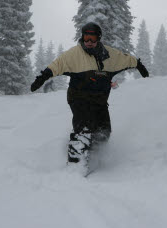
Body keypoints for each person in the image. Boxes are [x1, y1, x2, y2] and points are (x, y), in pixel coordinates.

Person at [31, 22, 149, 165]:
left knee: (104, 132)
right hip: (78, 98)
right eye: (86, 37)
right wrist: (43, 76)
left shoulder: (110, 55)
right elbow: (58, 65)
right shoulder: (74, 54)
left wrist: (139, 65)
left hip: (100, 101)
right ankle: (75, 165)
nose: (89, 42)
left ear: (98, 38)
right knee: (84, 130)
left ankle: (93, 157)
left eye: (92, 38)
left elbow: (126, 59)